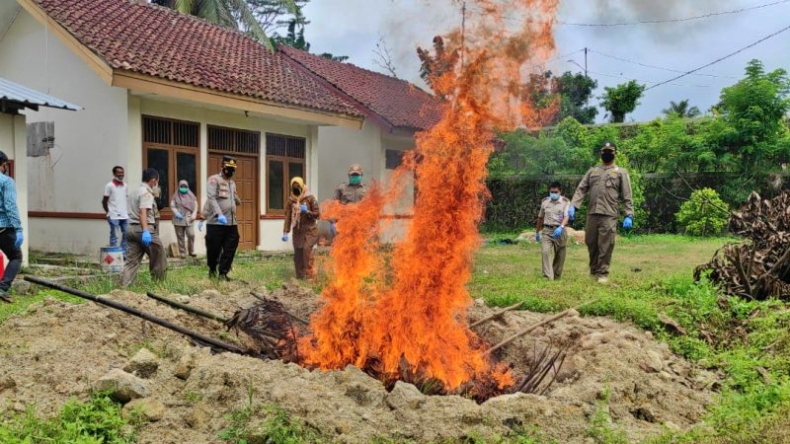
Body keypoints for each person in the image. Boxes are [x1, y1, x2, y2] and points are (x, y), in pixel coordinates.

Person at [569, 142, 633, 284]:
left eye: (610, 151)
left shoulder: (621, 172)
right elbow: (581, 189)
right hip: (592, 213)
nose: (607, 153)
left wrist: (628, 214)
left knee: (605, 244)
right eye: (605, 151)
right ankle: (593, 271)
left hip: (609, 214)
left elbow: (627, 195)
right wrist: (573, 205)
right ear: (601, 153)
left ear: (615, 154)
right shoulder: (593, 171)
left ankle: (602, 273)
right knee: (591, 242)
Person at [120, 168, 167, 288]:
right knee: (159, 257)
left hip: (130, 229)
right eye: (157, 181)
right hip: (144, 229)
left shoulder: (134, 192)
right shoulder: (146, 193)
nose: (157, 185)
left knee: (131, 262)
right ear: (153, 181)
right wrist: (146, 230)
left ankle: (124, 288)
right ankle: (159, 286)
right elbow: (142, 212)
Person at [203, 156, 241, 280]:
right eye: (228, 168)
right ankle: (212, 270)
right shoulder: (214, 180)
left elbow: (233, 198)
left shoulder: (232, 183)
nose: (230, 171)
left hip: (231, 222)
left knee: (232, 244)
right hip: (216, 222)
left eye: (232, 169)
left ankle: (223, 272)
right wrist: (219, 214)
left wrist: (237, 201)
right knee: (214, 248)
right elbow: (211, 198)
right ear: (222, 167)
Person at [282, 177, 320, 279]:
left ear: (302, 186)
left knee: (306, 250)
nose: (296, 189)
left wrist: (308, 211)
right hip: (298, 230)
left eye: (298, 187)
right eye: (294, 187)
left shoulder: (310, 198)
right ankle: (300, 275)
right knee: (298, 254)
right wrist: (285, 232)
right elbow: (288, 217)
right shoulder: (291, 200)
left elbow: (317, 214)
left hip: (310, 229)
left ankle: (309, 275)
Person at [0, 151, 23, 303]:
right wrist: (18, 229)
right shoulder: (6, 182)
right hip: (3, 228)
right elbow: (10, 206)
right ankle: (2, 288)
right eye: (5, 165)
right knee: (16, 257)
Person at [536, 181, 569, 281]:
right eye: (552, 192)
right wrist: (537, 231)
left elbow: (566, 216)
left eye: (556, 192)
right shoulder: (545, 201)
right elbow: (540, 217)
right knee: (545, 252)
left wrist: (561, 226)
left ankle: (556, 275)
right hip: (547, 231)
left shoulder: (565, 202)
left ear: (560, 191)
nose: (553, 194)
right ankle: (547, 276)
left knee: (560, 254)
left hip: (560, 230)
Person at [331, 163, 366, 235]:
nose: (355, 176)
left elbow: (371, 208)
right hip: (344, 224)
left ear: (361, 175)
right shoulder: (342, 188)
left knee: (359, 245)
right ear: (349, 175)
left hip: (361, 224)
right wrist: (333, 222)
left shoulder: (366, 190)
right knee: (344, 244)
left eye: (357, 175)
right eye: (353, 175)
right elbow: (334, 205)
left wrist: (372, 225)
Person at [102, 166, 129, 252]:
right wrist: (108, 212)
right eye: (119, 172)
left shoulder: (125, 185)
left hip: (124, 215)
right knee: (114, 235)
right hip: (113, 215)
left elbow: (125, 198)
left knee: (126, 234)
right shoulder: (109, 186)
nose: (121, 174)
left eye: (122, 172)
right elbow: (104, 201)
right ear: (114, 174)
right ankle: (113, 253)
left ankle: (123, 253)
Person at [170, 180, 198, 258]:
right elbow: (172, 206)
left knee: (191, 234)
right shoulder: (175, 196)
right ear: (179, 187)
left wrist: (194, 213)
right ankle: (182, 253)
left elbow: (195, 205)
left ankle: (191, 251)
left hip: (189, 218)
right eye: (181, 186)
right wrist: (176, 213)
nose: (183, 188)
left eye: (185, 186)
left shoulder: (191, 196)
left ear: (187, 187)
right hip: (178, 219)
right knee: (180, 236)